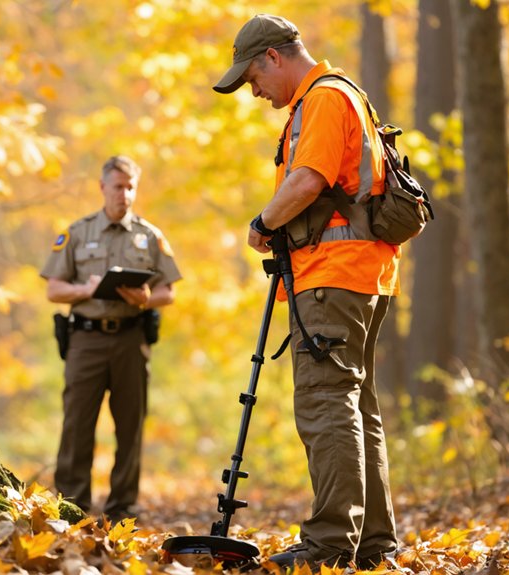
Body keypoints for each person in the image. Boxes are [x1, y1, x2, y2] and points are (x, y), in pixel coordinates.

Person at [213, 14, 400, 570]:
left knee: (325, 404)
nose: (255, 93)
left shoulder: (321, 99)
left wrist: (263, 223)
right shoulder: (345, 95)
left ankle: (328, 544)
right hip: (362, 274)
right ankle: (372, 545)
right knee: (356, 408)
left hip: (333, 277)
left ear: (273, 56)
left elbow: (308, 178)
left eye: (252, 79)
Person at [41, 155, 182, 522]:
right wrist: (85, 290)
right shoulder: (77, 232)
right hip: (85, 341)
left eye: (130, 187)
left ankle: (123, 508)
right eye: (118, 187)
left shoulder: (150, 236)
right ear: (102, 187)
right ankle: (72, 506)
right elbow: (54, 290)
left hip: (131, 340)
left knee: (130, 426)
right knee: (77, 424)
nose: (125, 194)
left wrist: (149, 299)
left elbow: (169, 292)